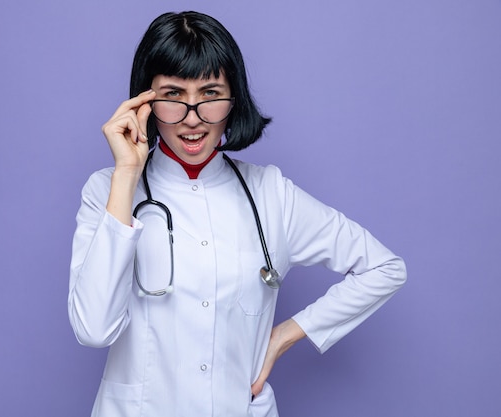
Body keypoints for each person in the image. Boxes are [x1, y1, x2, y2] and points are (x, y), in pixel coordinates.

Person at [68, 10, 406, 417]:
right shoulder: (107, 190)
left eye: (210, 93)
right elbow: (93, 329)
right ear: (145, 101)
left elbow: (384, 268)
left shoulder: (271, 194)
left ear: (234, 98)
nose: (193, 118)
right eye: (173, 94)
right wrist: (126, 174)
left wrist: (283, 337)